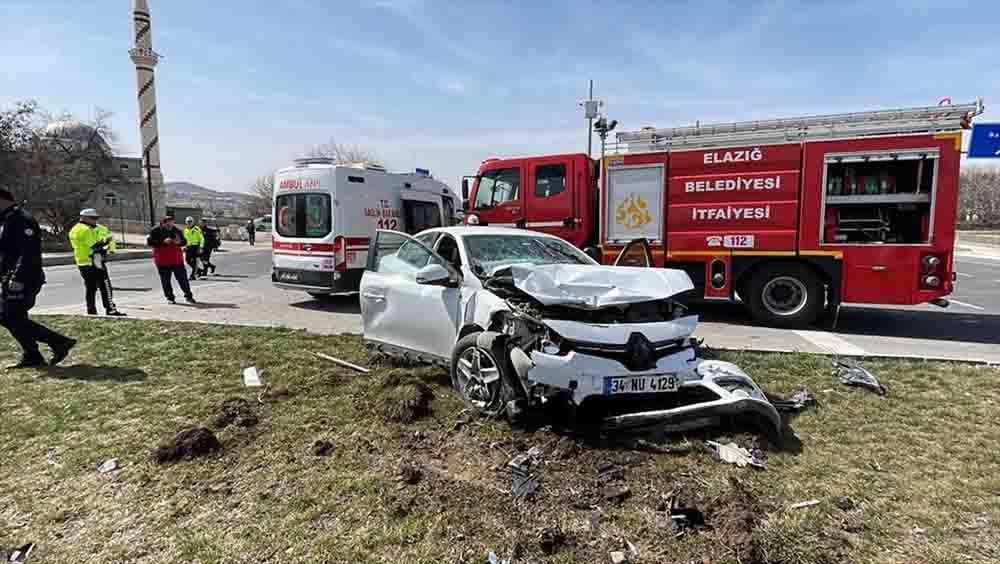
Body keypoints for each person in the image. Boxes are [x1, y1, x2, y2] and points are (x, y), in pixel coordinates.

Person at [0, 189, 76, 368]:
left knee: (9, 316)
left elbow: (29, 253)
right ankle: (33, 355)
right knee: (13, 317)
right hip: (11, 277)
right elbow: (8, 253)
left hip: (24, 278)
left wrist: (18, 278)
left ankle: (58, 342)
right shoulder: (8, 219)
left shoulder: (21, 219)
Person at [67, 209, 125, 317]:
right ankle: (110, 310)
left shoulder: (75, 229)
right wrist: (106, 242)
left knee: (90, 288)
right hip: (94, 261)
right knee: (105, 286)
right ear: (84, 218)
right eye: (93, 218)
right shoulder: (85, 230)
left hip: (83, 262)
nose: (95, 221)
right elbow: (95, 245)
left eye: (96, 218)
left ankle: (91, 311)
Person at [147, 216, 196, 304]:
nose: (170, 225)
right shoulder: (155, 231)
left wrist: (179, 242)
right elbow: (150, 242)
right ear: (163, 223)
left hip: (176, 259)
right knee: (165, 280)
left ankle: (188, 296)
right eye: (168, 223)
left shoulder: (177, 230)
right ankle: (170, 297)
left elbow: (184, 241)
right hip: (162, 260)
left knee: (183, 279)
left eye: (172, 223)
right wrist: (163, 242)